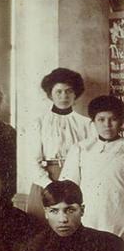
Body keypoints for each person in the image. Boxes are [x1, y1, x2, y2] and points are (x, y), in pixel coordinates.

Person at [27, 68, 92, 219]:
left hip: (76, 180)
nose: (64, 96)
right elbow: (31, 160)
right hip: (46, 179)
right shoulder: (39, 122)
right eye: (59, 92)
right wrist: (48, 184)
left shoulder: (86, 124)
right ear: (50, 94)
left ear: (76, 94)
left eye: (69, 91)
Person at [59, 94, 124, 238]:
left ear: (121, 122)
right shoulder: (80, 149)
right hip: (88, 217)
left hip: (118, 217)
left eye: (113, 119)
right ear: (93, 122)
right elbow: (69, 187)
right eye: (101, 119)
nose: (107, 125)